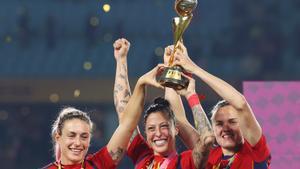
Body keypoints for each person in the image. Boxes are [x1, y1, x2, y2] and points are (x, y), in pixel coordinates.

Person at [113, 38, 214, 169]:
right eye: (151, 128)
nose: (158, 133)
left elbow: (207, 139)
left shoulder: (186, 161)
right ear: (146, 133)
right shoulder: (143, 157)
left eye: (164, 126)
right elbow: (124, 116)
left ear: (176, 129)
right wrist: (121, 60)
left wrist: (191, 96)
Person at [42, 61, 165, 169]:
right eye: (72, 135)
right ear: (58, 137)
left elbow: (127, 125)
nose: (78, 143)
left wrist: (140, 84)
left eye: (84, 136)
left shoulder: (98, 164)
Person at [172, 43, 271, 168]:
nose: (226, 128)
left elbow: (240, 103)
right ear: (212, 128)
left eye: (232, 121)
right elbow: (178, 120)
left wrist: (194, 68)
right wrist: (172, 70)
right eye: (219, 123)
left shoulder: (254, 151)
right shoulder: (209, 155)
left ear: (243, 126)